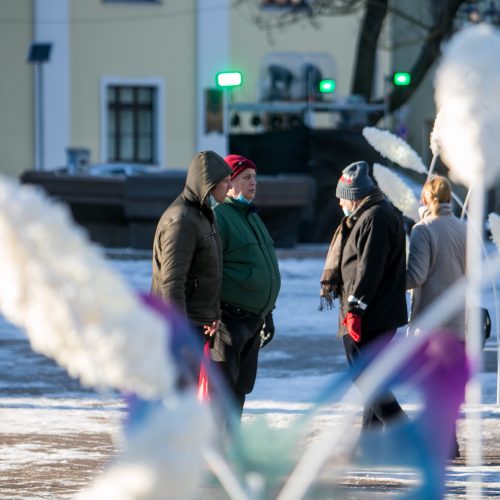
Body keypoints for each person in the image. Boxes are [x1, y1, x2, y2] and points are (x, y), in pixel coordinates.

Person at [320, 160, 408, 431]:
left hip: (370, 315)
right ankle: (370, 442)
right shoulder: (369, 215)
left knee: (366, 378)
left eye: (342, 198)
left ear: (354, 196)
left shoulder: (375, 218)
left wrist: (355, 309)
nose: (340, 204)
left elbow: (370, 266)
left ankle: (409, 434)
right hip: (374, 312)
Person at [213, 154, 281, 416]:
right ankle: (214, 450)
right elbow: (211, 269)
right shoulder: (221, 217)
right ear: (228, 183)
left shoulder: (251, 216)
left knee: (240, 389)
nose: (254, 183)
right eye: (246, 177)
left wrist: (269, 313)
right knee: (223, 392)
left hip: (254, 321)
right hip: (230, 321)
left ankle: (231, 449)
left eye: (255, 177)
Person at [406, 175, 467, 458]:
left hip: (432, 320)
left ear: (427, 198)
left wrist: (389, 278)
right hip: (459, 320)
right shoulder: (464, 229)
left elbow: (415, 276)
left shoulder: (423, 230)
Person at [151, 150, 232, 350]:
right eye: (225, 181)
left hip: (197, 322)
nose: (230, 186)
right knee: (177, 381)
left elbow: (207, 269)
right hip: (180, 327)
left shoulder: (203, 215)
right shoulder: (182, 220)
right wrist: (179, 331)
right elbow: (172, 282)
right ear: (209, 183)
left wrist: (212, 314)